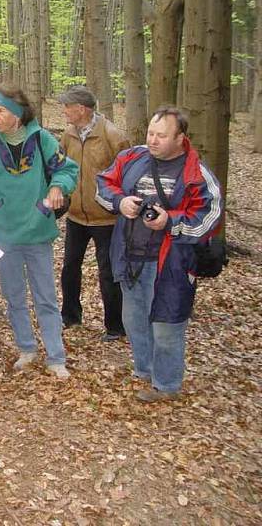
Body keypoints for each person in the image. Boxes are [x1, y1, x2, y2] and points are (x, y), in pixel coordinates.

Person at [96, 106, 222, 402]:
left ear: (180, 138)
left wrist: (171, 222)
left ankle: (166, 385)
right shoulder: (132, 157)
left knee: (167, 324)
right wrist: (120, 202)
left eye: (161, 136)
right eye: (151, 133)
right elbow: (103, 183)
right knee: (134, 319)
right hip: (130, 257)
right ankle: (144, 370)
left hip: (171, 264)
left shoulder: (196, 173)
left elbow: (209, 217)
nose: (153, 140)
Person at [0, 84, 79, 379]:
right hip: (2, 232)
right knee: (14, 296)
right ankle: (26, 348)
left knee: (45, 296)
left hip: (37, 230)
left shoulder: (42, 139)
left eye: (0, 110)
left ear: (17, 115)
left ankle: (55, 356)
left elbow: (66, 169)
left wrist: (58, 186)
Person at [58, 85, 130, 341]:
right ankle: (70, 317)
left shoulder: (113, 136)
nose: (64, 111)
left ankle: (115, 326)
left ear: (82, 109)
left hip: (106, 218)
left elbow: (127, 176)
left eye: (67, 106)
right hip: (76, 216)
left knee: (108, 272)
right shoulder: (68, 134)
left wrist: (119, 204)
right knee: (69, 268)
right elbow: (61, 168)